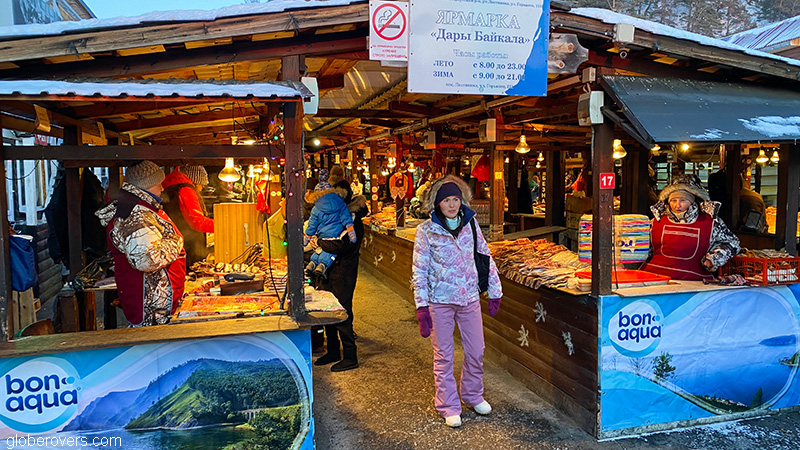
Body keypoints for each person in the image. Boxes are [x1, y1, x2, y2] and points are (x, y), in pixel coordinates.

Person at [411, 175, 503, 428]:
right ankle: (448, 404)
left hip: (469, 298)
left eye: (455, 199)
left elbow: (485, 258)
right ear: (437, 203)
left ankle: (473, 394)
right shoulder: (426, 231)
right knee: (444, 355)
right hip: (439, 301)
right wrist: (421, 306)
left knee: (476, 350)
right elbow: (419, 269)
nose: (451, 205)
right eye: (446, 200)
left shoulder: (471, 225)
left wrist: (495, 291)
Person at [96, 161, 186, 326]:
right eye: (159, 184)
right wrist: (176, 240)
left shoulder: (142, 209)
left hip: (156, 306)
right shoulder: (136, 215)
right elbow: (146, 259)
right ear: (148, 185)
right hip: (151, 309)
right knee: (155, 349)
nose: (162, 188)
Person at [314, 178, 369, 372]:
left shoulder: (352, 218)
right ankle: (334, 351)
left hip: (344, 271)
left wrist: (318, 242)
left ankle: (350, 355)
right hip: (329, 270)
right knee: (327, 310)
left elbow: (342, 245)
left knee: (342, 311)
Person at [642, 174, 740, 281]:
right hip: (654, 277)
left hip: (693, 281)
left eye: (683, 201)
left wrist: (713, 259)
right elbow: (644, 248)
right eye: (673, 201)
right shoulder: (656, 221)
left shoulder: (710, 223)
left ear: (692, 201)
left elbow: (732, 243)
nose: (677, 205)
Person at [161, 165, 214, 266]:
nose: (201, 189)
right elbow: (197, 222)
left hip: (176, 244)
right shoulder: (186, 189)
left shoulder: (172, 187)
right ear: (196, 181)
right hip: (188, 247)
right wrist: (223, 224)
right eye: (202, 185)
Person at [304, 182, 357, 279]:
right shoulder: (341, 205)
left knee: (319, 250)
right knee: (329, 253)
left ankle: (312, 263)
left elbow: (312, 224)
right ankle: (322, 266)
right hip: (335, 233)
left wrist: (308, 236)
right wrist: (351, 231)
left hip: (322, 234)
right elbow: (346, 219)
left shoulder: (316, 208)